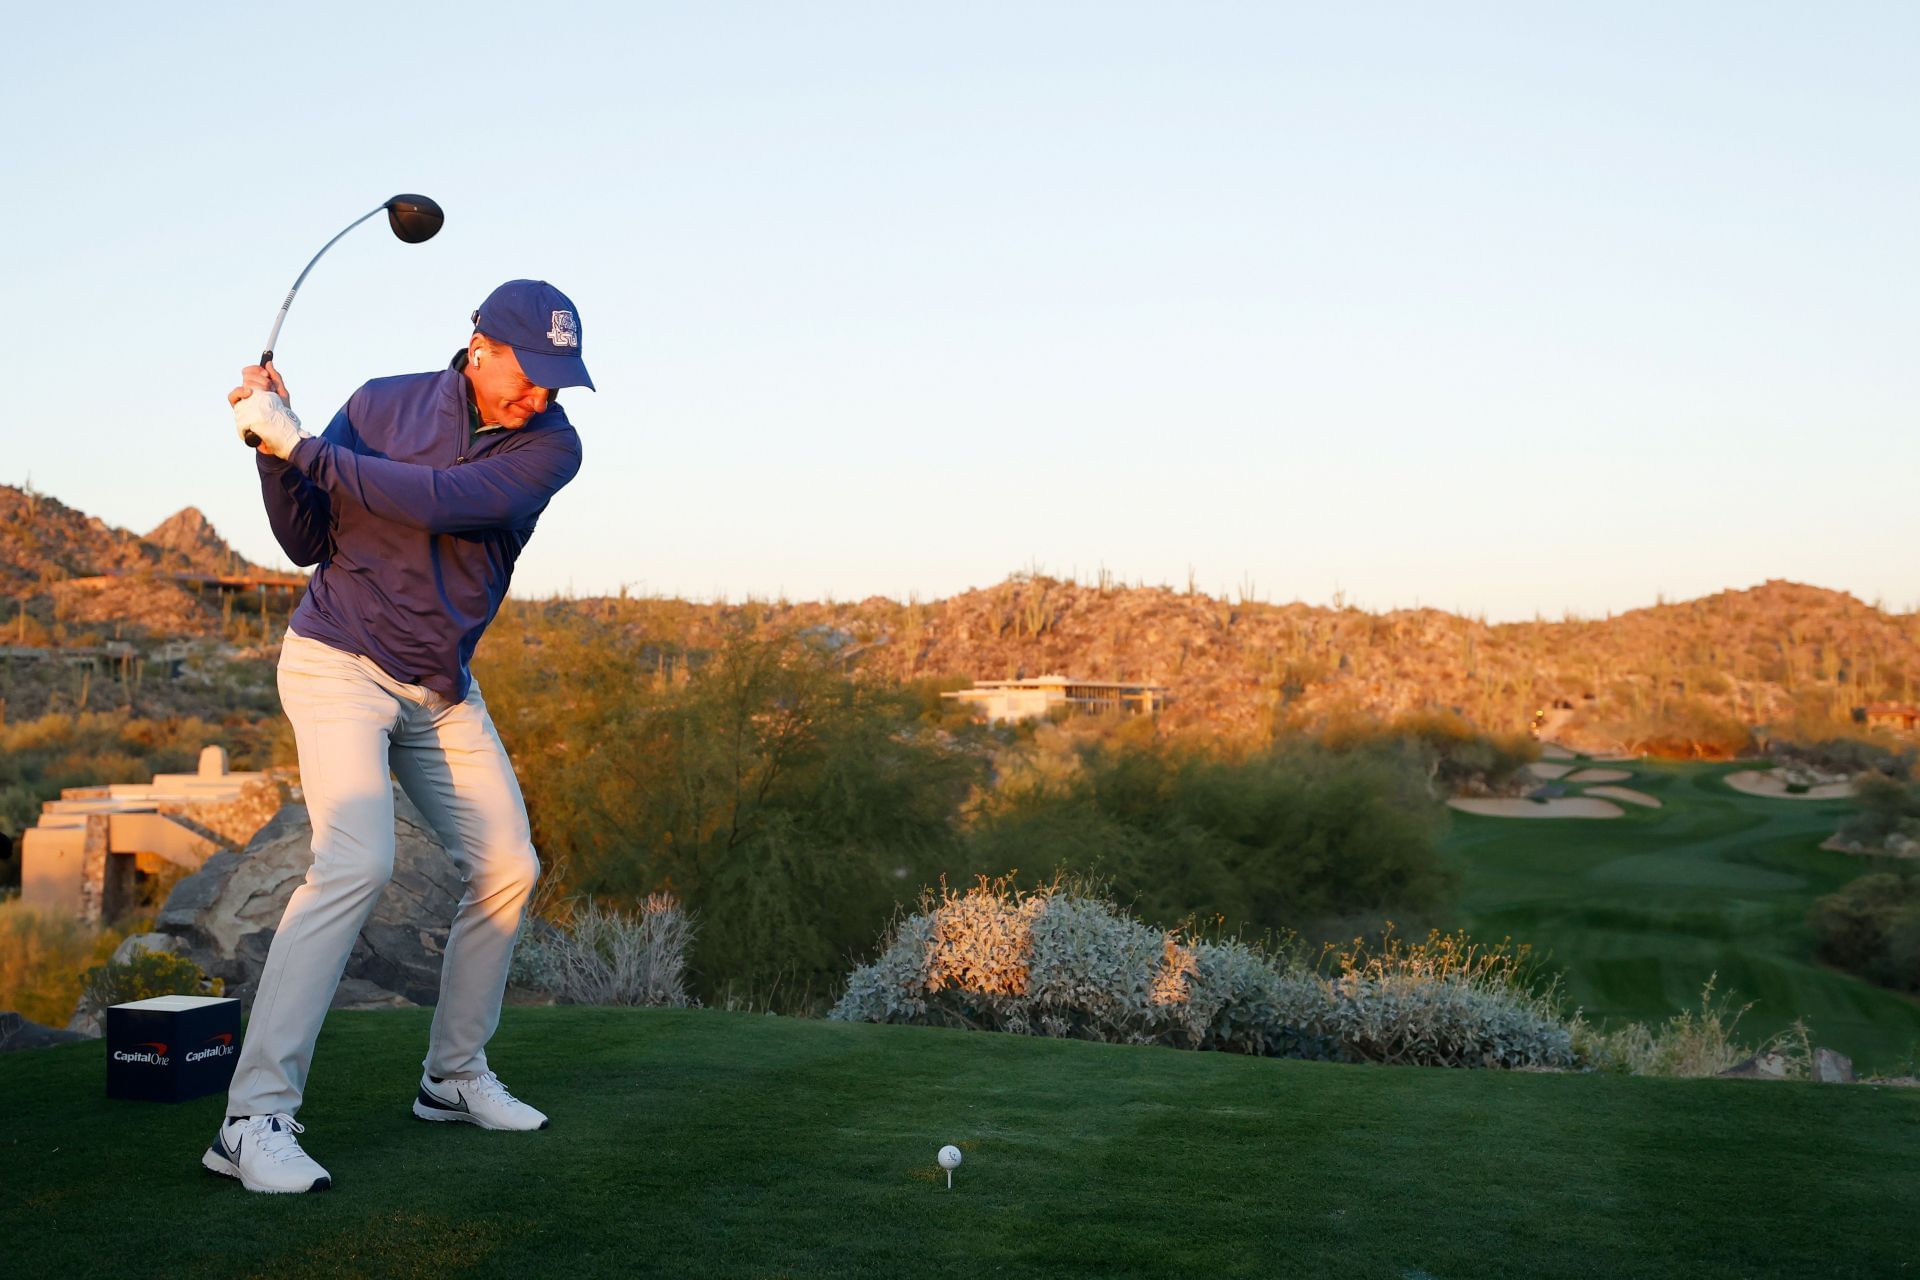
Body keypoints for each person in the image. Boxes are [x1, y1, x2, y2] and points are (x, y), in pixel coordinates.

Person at [201, 280, 591, 1194]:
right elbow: (304, 536)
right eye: (530, 375)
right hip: (337, 662)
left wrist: (299, 440)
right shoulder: (382, 402)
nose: (541, 395)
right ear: (481, 346)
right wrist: (269, 444)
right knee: (355, 862)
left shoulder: (552, 448)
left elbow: (440, 501)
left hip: (440, 689)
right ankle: (252, 1119)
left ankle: (453, 1078)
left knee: (508, 866)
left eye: (557, 380)